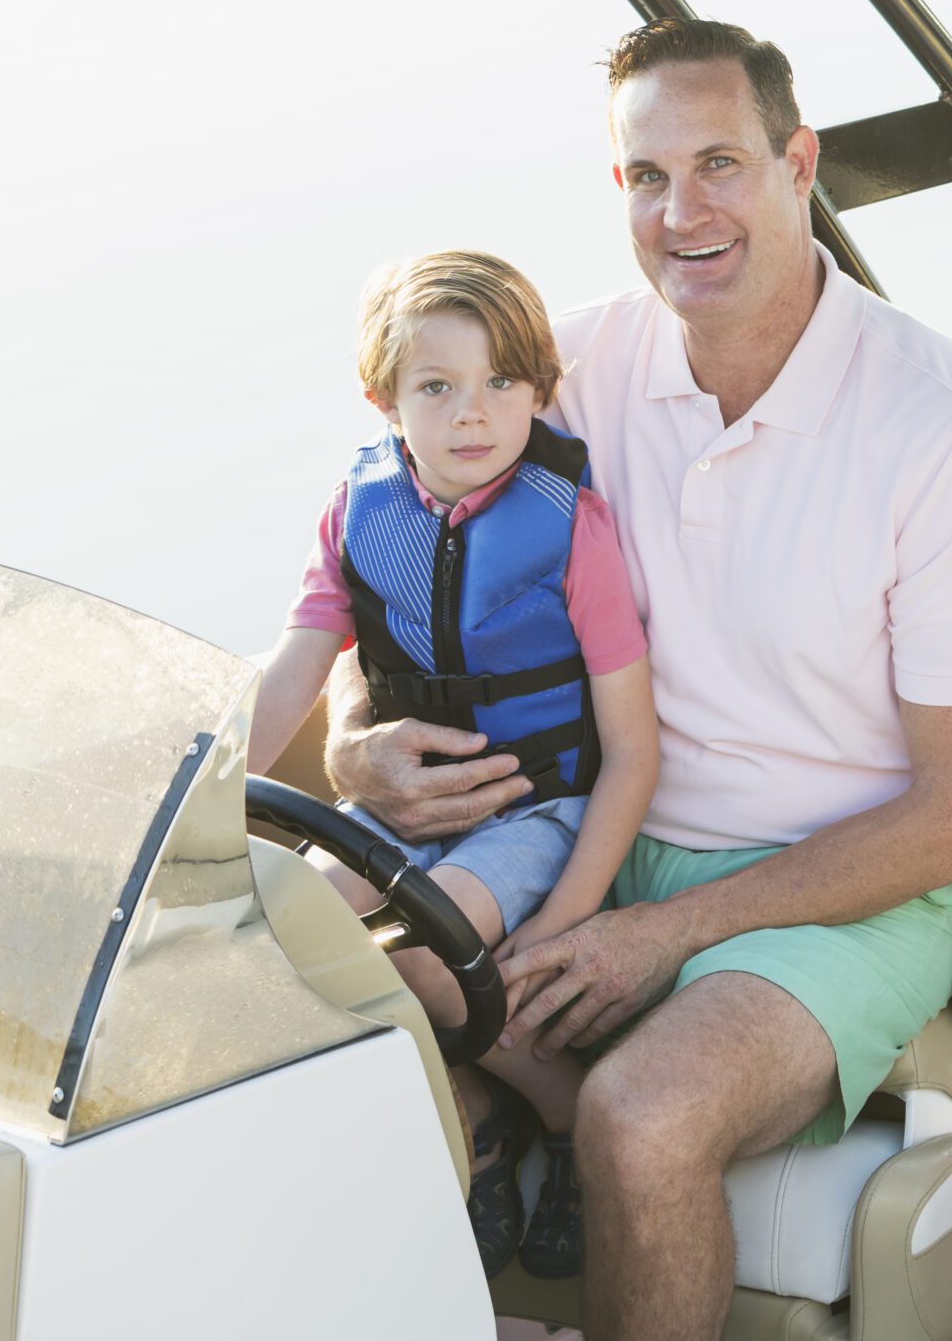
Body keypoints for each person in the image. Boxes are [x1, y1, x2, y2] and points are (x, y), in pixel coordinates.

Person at [317, 19, 952, 1339]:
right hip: (607, 836)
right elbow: (378, 580)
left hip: (848, 892)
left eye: (720, 163)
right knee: (335, 979)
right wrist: (350, 741)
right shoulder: (568, 372)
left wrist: (659, 935)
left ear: (799, 163)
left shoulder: (947, 428)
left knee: (643, 1108)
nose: (684, 210)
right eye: (648, 176)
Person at [247, 249, 661, 1280]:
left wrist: (568, 918)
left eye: (501, 385)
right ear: (384, 397)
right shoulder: (359, 512)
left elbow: (635, 752)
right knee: (295, 931)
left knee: (422, 951)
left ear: (538, 391)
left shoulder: (574, 531)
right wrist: (189, 800)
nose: (473, 416)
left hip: (537, 812)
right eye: (437, 388)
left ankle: (559, 1127)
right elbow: (295, 671)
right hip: (399, 813)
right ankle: (473, 1106)